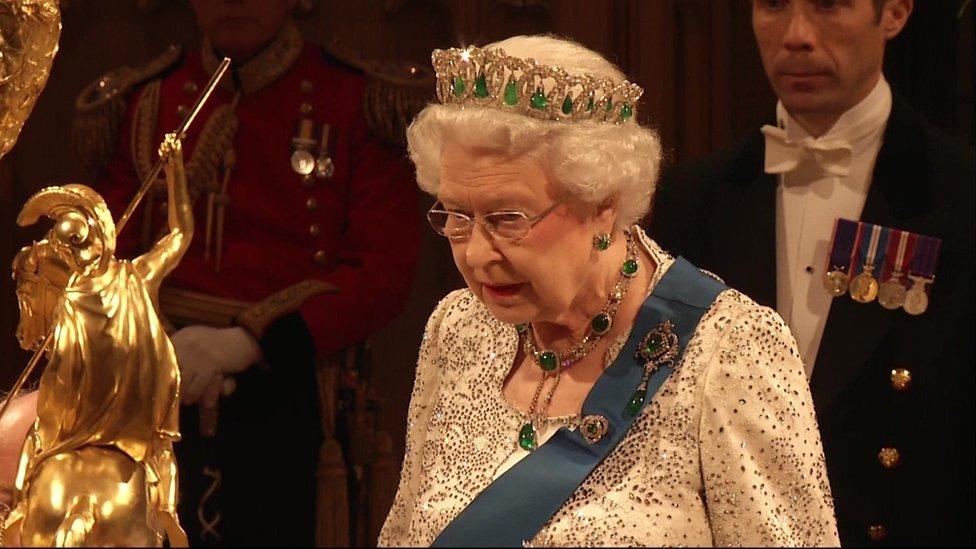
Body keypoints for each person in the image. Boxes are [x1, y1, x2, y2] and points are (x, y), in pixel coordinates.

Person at [378, 35, 839, 547]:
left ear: (603, 203)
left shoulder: (730, 352)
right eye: (457, 215)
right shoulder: (460, 327)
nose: (476, 254)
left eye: (508, 218)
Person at [73, 0, 421, 545]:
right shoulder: (147, 100)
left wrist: (250, 341)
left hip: (292, 384)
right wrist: (153, 348)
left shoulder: (354, 98)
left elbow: (382, 273)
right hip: (152, 382)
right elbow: (99, 258)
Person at [649, 0, 974, 545]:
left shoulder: (961, 196)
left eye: (828, 5)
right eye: (773, 5)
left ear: (894, 12)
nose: (796, 35)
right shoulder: (691, 199)